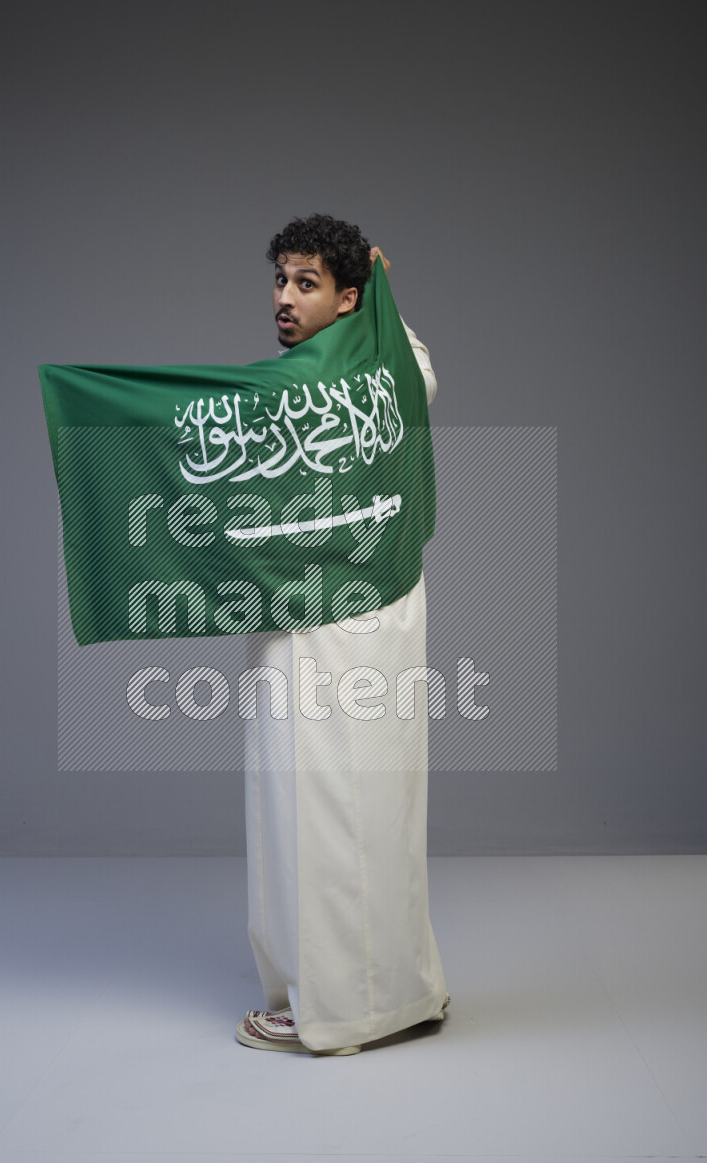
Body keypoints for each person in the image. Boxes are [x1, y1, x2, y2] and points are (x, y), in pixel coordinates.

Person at [236, 214, 450, 1055]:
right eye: (280, 280)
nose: (285, 298)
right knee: (371, 807)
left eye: (307, 283)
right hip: (367, 620)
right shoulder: (380, 372)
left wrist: (381, 302)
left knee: (321, 808)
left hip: (331, 628)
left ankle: (333, 1010)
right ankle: (404, 993)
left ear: (349, 298)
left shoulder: (322, 390)